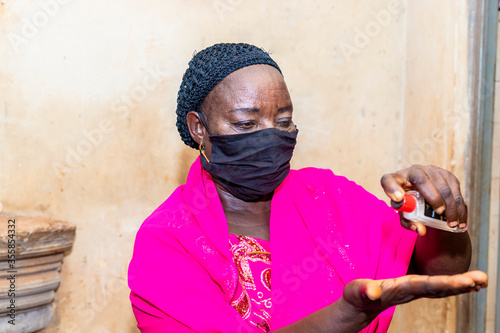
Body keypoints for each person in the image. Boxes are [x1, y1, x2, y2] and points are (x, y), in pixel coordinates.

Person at [128, 43, 487, 333]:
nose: (270, 134)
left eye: (283, 120)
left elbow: (442, 269)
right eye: (246, 123)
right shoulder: (168, 239)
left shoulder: (330, 197)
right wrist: (348, 313)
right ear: (199, 129)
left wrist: (439, 213)